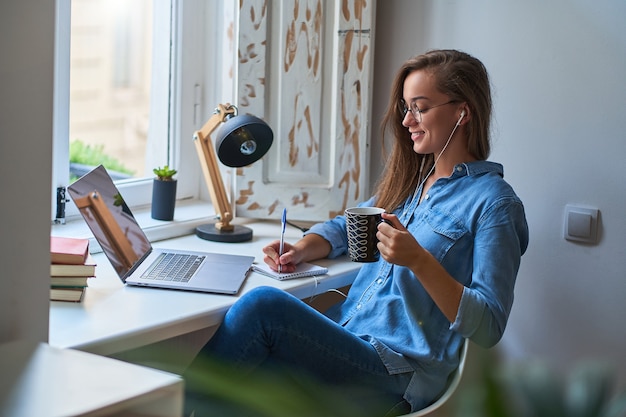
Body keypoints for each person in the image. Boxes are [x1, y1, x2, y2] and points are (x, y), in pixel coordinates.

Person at [183, 49, 529, 416]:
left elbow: (489, 326)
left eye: (420, 108)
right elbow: (343, 227)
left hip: (396, 372)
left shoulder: (495, 204)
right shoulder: (413, 182)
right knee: (246, 388)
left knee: (263, 307)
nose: (408, 120)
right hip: (349, 336)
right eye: (405, 109)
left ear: (463, 111)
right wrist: (302, 248)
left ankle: (168, 409)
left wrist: (419, 261)